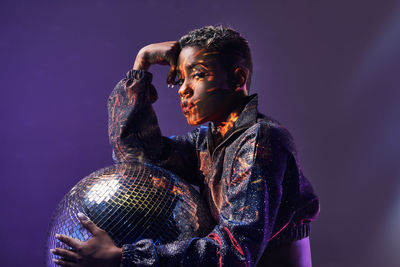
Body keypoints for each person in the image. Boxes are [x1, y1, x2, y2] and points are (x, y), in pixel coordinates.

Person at [51, 26, 319, 267]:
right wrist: (141, 65)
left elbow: (235, 253)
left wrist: (126, 257)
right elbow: (135, 156)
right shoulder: (210, 140)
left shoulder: (260, 140)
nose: (183, 90)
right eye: (180, 79)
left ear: (238, 79)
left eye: (198, 75)